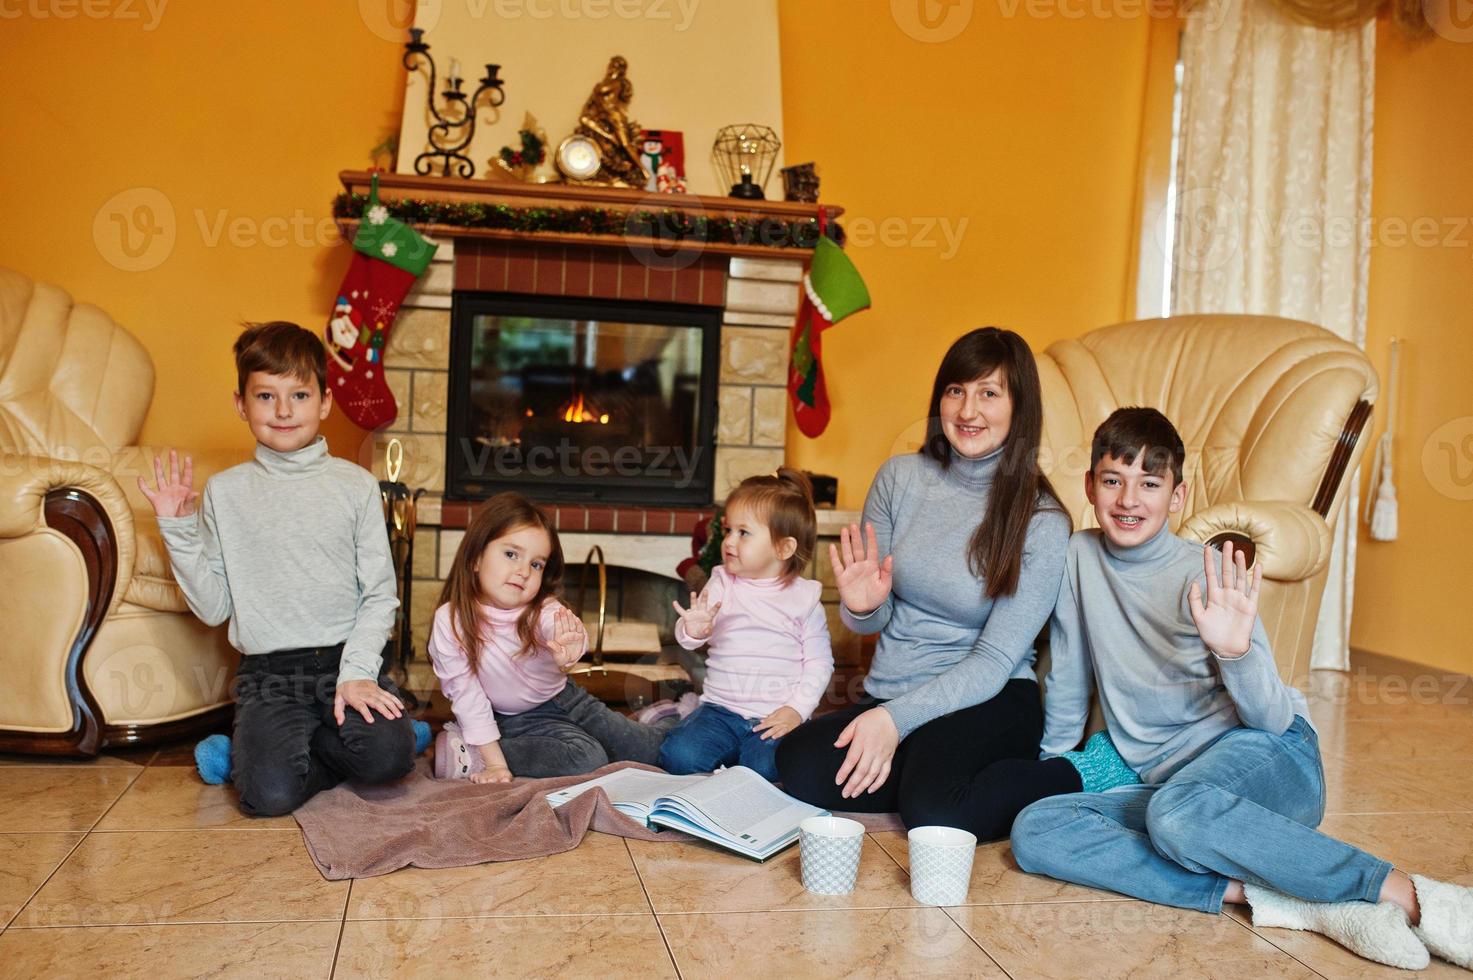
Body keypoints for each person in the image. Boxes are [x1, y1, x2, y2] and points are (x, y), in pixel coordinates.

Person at [1010, 407, 1473, 972]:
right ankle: (1279, 897)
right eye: (1114, 480)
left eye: (1149, 484)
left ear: (1177, 497)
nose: (1129, 499)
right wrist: (1055, 762)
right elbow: (1071, 671)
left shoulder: (1209, 574)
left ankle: (1408, 894)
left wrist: (1235, 652)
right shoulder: (1079, 557)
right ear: (1090, 486)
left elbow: (1272, 718)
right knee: (1037, 829)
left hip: (1271, 758)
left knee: (1177, 815)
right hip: (1176, 787)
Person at [774, 327, 1076, 840]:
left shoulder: (1042, 520)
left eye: (989, 393)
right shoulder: (899, 478)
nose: (967, 410)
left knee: (936, 814)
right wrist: (864, 607)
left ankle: (1077, 774)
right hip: (897, 691)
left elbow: (994, 661)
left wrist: (893, 722)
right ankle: (925, 765)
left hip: (990, 698)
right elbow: (871, 617)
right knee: (796, 762)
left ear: (1019, 405)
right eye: (956, 390)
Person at [140, 321, 417, 816]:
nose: (284, 411)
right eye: (266, 396)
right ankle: (247, 758)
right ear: (241, 405)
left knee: (390, 760)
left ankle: (372, 738)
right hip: (270, 673)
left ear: (325, 403)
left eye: (300, 395)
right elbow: (213, 609)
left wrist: (357, 674)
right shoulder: (225, 493)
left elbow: (379, 595)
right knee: (267, 797)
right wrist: (177, 530)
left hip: (343, 662)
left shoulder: (355, 487)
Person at [428, 492, 670, 781]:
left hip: (567, 701)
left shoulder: (540, 609)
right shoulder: (450, 620)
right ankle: (472, 753)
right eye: (511, 554)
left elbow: (563, 628)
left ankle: (664, 718)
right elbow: (467, 695)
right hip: (506, 721)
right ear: (476, 558)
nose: (523, 571)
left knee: (653, 750)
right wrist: (495, 764)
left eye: (536, 564)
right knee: (587, 759)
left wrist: (570, 648)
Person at [658, 469, 834, 782]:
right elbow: (691, 639)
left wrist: (797, 710)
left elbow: (819, 664)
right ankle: (697, 734)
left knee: (765, 769)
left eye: (743, 533)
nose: (728, 541)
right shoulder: (722, 582)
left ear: (783, 548)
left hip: (774, 716)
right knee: (677, 756)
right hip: (720, 710)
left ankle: (739, 769)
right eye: (728, 530)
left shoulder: (804, 599)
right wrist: (692, 630)